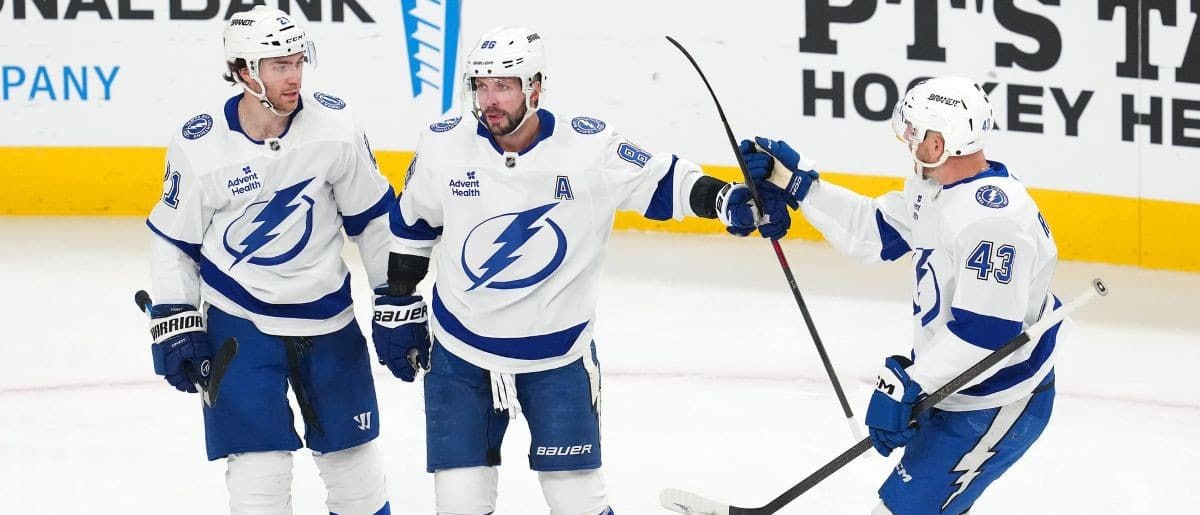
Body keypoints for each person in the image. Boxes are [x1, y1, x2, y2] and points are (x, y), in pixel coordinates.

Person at [368, 26, 790, 515]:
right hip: (462, 352)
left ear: (535, 87)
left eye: (503, 85)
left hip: (557, 355)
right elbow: (413, 224)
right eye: (481, 86)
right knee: (459, 502)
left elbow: (664, 181)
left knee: (577, 503)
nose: (490, 100)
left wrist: (726, 198)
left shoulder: (588, 146)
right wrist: (397, 299)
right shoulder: (445, 145)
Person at [739, 77, 1065, 515]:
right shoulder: (942, 189)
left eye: (914, 134)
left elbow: (988, 336)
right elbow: (872, 232)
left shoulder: (992, 222)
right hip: (956, 388)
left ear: (937, 144)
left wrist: (912, 383)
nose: (906, 142)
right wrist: (797, 184)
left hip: (993, 402)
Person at [144, 6, 394, 514]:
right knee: (260, 473)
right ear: (242, 70)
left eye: (298, 60)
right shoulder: (200, 144)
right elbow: (175, 240)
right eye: (278, 64)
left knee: (354, 469)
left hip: (328, 317)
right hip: (240, 322)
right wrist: (176, 316)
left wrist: (396, 298)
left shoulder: (336, 125)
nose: (294, 75)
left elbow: (373, 219)